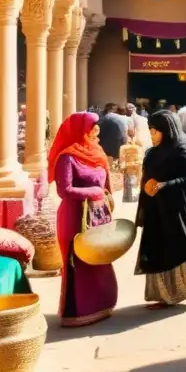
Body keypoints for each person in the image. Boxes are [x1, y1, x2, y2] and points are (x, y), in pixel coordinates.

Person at [136, 110, 186, 309]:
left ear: (168, 130)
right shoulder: (153, 152)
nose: (152, 136)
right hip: (157, 209)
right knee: (159, 250)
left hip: (178, 209)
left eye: (156, 132)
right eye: (151, 131)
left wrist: (164, 185)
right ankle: (165, 295)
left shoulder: (181, 150)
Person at [50, 112, 118, 327]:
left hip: (99, 215)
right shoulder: (67, 157)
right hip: (75, 216)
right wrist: (95, 191)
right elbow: (65, 190)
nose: (96, 131)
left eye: (97, 127)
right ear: (81, 130)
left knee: (99, 258)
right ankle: (79, 312)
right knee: (79, 261)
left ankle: (101, 305)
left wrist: (106, 196)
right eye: (92, 127)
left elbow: (105, 182)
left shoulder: (97, 152)